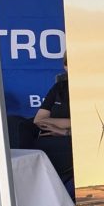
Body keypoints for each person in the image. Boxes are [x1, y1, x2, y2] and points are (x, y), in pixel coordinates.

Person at [33, 57, 74, 189]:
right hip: (50, 141)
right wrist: (71, 123)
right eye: (68, 64)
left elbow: (90, 123)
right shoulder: (59, 88)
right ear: (65, 67)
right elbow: (39, 120)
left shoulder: (91, 89)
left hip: (74, 141)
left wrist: (64, 131)